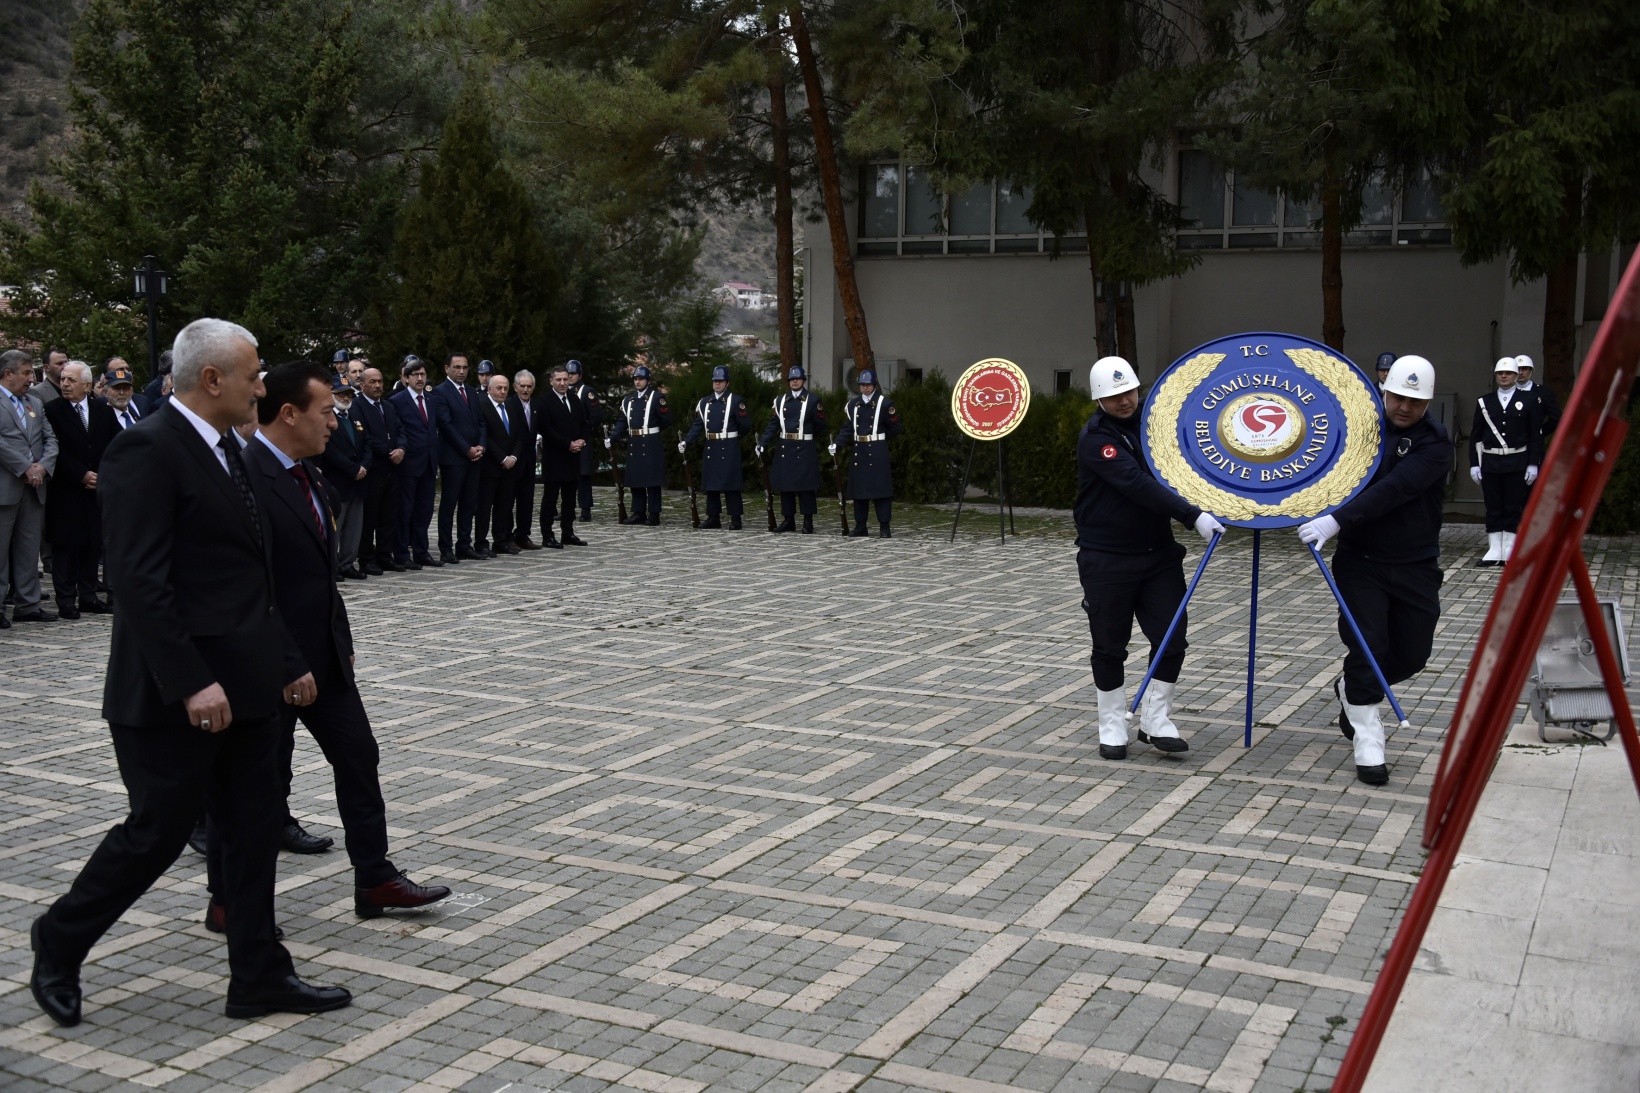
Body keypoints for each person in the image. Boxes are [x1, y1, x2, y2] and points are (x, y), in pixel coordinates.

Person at [28, 319, 350, 1028]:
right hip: (174, 694)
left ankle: (260, 974)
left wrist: (288, 661)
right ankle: (60, 936)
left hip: (250, 686)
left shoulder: (232, 450)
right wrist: (191, 680)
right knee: (157, 831)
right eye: (254, 375)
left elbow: (249, 575)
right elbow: (141, 583)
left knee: (252, 825)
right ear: (213, 380)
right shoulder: (146, 449)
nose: (262, 387)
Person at [198, 360, 450, 933]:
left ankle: (374, 877)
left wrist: (342, 640)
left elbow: (319, 576)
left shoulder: (307, 473)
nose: (335, 422)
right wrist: (287, 662)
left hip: (325, 659)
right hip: (268, 666)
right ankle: (226, 897)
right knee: (257, 783)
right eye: (326, 412)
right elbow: (247, 587)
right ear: (289, 414)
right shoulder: (244, 478)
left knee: (359, 756)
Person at [1298, 355, 1448, 787]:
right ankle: (1368, 737)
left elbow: (1395, 489)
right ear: (1385, 392)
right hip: (1361, 562)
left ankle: (1351, 690)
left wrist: (1335, 520)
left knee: (1413, 653)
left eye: (1415, 402)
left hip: (1416, 562)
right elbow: (1317, 462)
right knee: (1369, 644)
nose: (1405, 407)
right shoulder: (1360, 430)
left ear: (1427, 403)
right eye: (1399, 397)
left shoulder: (1435, 443)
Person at [1076, 356, 1224, 760]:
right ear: (1099, 399)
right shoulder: (1096, 438)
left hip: (1158, 557)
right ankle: (1111, 724)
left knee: (1172, 640)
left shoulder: (1155, 427)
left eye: (1130, 392)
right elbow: (1135, 483)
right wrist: (1192, 516)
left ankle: (1156, 719)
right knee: (1110, 646)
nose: (1125, 401)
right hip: (1107, 559)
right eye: (1114, 395)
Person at [43, 362, 117, 618]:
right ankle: (65, 600)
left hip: (96, 488)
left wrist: (103, 474)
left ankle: (88, 596)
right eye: (63, 379)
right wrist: (80, 474)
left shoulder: (102, 411)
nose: (64, 384)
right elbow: (54, 447)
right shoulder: (52, 410)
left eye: (71, 380)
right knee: (65, 546)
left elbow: (115, 444)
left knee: (91, 543)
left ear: (87, 385)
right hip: (66, 489)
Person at [1, 350, 58, 626]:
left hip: (34, 488)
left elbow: (51, 439)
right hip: (6, 487)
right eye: (25, 373)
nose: (31, 378)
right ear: (8, 373)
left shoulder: (35, 402)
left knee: (28, 549)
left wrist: (43, 467)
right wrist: (25, 467)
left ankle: (28, 604)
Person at [1469, 356, 1542, 566]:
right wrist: (1474, 463)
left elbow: (1534, 436)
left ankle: (1509, 548)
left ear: (1515, 375)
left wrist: (1532, 463)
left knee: (1512, 505)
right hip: (1491, 462)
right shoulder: (1485, 401)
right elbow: (1476, 436)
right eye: (1500, 373)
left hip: (1517, 461)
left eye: (1508, 373)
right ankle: (1494, 549)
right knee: (1493, 505)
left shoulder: (1529, 400)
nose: (1504, 376)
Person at [831, 369, 902, 538]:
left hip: (877, 451)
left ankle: (884, 527)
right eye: (862, 385)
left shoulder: (885, 404)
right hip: (859, 451)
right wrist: (837, 445)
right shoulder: (852, 405)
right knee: (859, 492)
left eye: (868, 384)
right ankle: (860, 525)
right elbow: (847, 429)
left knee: (881, 492)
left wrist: (879, 440)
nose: (865, 388)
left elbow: (895, 428)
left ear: (874, 385)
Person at [757, 365, 827, 534]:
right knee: (785, 486)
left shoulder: (812, 400)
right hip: (785, 446)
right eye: (791, 379)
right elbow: (773, 426)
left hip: (804, 447)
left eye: (798, 378)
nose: (795, 381)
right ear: (788, 381)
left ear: (803, 380)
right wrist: (763, 443)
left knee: (806, 487)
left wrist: (806, 436)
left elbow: (821, 425)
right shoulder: (780, 400)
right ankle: (788, 520)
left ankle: (808, 521)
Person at [681, 365, 752, 530]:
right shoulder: (705, 402)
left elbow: (746, 425)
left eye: (720, 381)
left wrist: (734, 437)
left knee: (731, 484)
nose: (717, 384)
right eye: (715, 381)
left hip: (729, 446)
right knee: (711, 484)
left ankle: (735, 518)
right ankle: (713, 517)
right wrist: (686, 441)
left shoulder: (736, 401)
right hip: (711, 445)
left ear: (727, 383)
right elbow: (697, 426)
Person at [431, 353, 485, 563]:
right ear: (447, 368)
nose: (461, 371)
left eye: (465, 367)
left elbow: (480, 422)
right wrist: (466, 449)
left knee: (469, 504)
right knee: (449, 504)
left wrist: (481, 445)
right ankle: (446, 547)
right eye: (457, 367)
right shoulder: (440, 392)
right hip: (454, 458)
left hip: (474, 457)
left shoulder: (472, 392)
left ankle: (464, 544)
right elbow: (446, 425)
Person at [388, 356, 440, 569]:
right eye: (415, 375)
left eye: (423, 374)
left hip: (428, 463)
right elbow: (398, 431)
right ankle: (401, 553)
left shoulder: (431, 400)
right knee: (405, 510)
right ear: (406, 378)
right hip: (408, 464)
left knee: (424, 510)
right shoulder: (397, 401)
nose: (420, 378)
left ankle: (421, 551)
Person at [319, 376, 370, 580]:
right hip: (338, 480)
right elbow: (329, 450)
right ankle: (331, 565)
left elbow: (368, 443)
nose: (345, 397)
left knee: (354, 527)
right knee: (335, 527)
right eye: (340, 394)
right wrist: (352, 468)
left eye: (348, 393)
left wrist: (364, 466)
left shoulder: (355, 416)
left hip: (358, 480)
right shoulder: (327, 418)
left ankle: (347, 563)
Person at [354, 367, 404, 574]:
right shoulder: (358, 406)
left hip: (392, 469)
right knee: (370, 518)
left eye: (380, 381)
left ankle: (385, 555)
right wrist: (389, 451)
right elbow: (365, 437)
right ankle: (366, 558)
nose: (377, 386)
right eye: (372, 382)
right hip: (373, 469)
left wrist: (402, 448)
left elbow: (401, 430)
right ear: (362, 384)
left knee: (388, 516)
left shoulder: (388, 406)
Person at [608, 365, 671, 525]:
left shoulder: (657, 398)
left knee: (652, 480)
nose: (638, 382)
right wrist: (613, 437)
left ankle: (654, 513)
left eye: (641, 379)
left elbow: (666, 420)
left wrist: (651, 431)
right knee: (636, 478)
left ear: (647, 381)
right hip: (634, 442)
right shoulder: (628, 400)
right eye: (636, 379)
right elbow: (623, 421)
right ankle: (638, 512)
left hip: (650, 441)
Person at [539, 365, 589, 547]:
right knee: (550, 498)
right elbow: (546, 429)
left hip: (573, 457)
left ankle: (568, 532)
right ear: (551, 381)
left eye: (565, 379)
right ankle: (547, 535)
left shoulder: (574, 399)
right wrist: (567, 443)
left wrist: (582, 440)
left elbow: (583, 423)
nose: (562, 383)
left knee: (569, 498)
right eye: (558, 380)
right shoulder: (544, 401)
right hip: (555, 457)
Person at [475, 373, 525, 555]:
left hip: (509, 467)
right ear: (489, 389)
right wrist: (502, 458)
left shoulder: (511, 407)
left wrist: (514, 457)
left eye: (505, 388)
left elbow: (519, 436)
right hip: (490, 466)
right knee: (484, 507)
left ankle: (501, 540)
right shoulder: (482, 406)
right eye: (499, 388)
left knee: (504, 506)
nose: (503, 391)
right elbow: (485, 436)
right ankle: (481, 542)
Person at [507, 370, 541, 549]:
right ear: (515, 387)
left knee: (526, 500)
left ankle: (523, 535)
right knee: (508, 499)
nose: (526, 390)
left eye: (529, 386)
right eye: (522, 386)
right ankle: (507, 536)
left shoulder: (536, 405)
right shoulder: (509, 404)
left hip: (529, 460)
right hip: (513, 459)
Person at [565, 360, 600, 520]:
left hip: (582, 440)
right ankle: (568, 508)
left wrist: (583, 436)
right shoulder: (563, 392)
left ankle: (585, 509)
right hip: (566, 441)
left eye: (573, 373)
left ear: (579, 375)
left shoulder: (587, 392)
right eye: (568, 373)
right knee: (567, 475)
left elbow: (595, 417)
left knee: (583, 476)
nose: (570, 376)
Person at [1514, 355, 1562, 438]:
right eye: (1518, 369)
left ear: (1531, 371)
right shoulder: (1505, 392)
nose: (1520, 372)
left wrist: (1539, 432)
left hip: (1533, 445)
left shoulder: (1543, 392)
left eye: (1524, 369)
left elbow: (1556, 418)